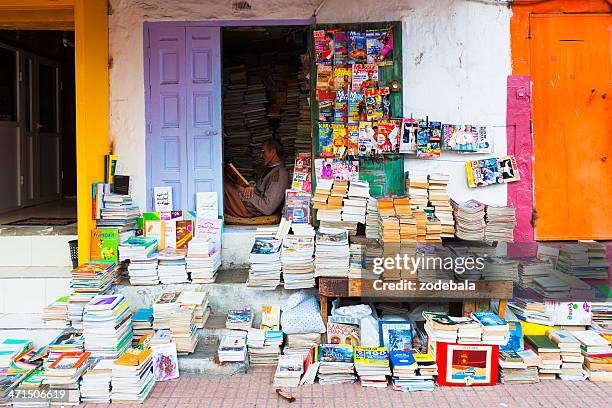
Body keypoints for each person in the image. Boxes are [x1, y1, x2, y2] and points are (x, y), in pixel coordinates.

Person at [224, 139, 289, 218]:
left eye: (263, 152)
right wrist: (251, 185)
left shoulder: (280, 175)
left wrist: (244, 191)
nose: (261, 155)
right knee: (226, 179)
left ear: (273, 152)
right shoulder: (265, 168)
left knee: (224, 185)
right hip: (249, 203)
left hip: (251, 210)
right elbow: (257, 181)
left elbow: (268, 208)